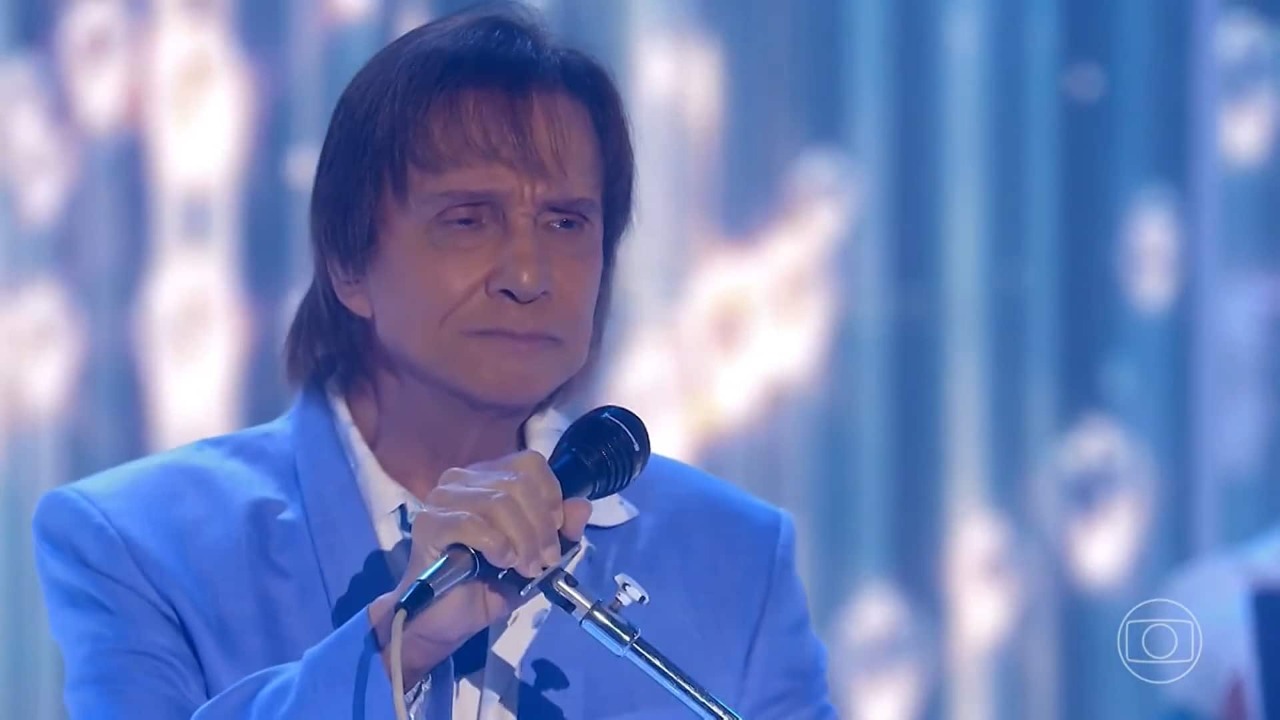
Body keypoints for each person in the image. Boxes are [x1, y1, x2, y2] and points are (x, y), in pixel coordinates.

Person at [32, 5, 836, 719]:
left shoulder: (735, 556)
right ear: (349, 262)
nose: (528, 275)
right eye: (468, 219)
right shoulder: (139, 545)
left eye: (565, 222)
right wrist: (403, 644)